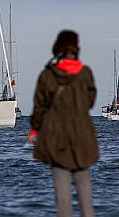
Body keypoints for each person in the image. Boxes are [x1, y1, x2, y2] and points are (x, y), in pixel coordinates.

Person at [27, 30, 99, 217]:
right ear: (77, 47)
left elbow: (39, 106)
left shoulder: (47, 75)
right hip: (82, 132)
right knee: (83, 182)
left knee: (62, 188)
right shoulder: (85, 73)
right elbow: (89, 102)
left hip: (55, 134)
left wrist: (35, 129)